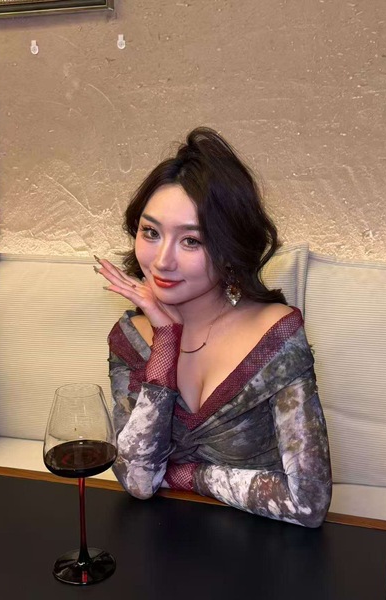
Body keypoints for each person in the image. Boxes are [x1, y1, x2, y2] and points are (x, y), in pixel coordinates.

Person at [96, 127, 332, 527]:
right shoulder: (131, 337)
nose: (162, 261)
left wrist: (188, 476)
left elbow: (308, 503)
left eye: (192, 241)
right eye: (151, 232)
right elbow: (137, 480)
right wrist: (166, 341)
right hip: (161, 543)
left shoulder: (275, 335)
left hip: (263, 548)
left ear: (229, 248)